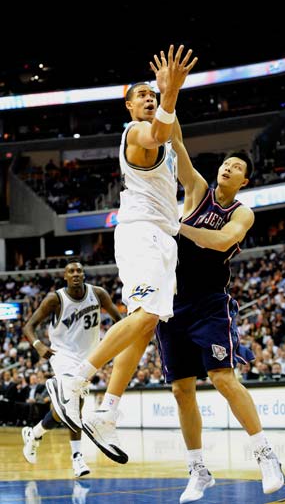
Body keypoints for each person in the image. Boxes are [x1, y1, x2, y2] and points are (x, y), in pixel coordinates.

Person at [45, 44, 198, 461]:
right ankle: (73, 381)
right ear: (128, 107)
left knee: (143, 325)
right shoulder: (136, 134)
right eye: (142, 96)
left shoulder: (165, 128)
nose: (149, 98)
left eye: (152, 94)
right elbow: (161, 133)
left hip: (163, 239)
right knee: (145, 316)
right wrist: (168, 95)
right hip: (140, 233)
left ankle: (106, 413)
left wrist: (172, 91)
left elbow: (176, 140)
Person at [154, 117, 284, 502]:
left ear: (245, 181)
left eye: (238, 167)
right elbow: (176, 142)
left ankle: (266, 455)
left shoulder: (243, 213)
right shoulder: (196, 189)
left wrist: (181, 228)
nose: (228, 167)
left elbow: (223, 240)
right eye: (227, 163)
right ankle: (198, 469)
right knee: (180, 389)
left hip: (210, 303)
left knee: (223, 378)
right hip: (173, 301)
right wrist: (169, 96)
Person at [22, 258, 122, 477]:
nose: (76, 273)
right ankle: (77, 458)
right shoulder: (55, 299)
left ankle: (35, 433)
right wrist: (39, 345)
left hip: (89, 359)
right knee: (74, 405)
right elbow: (28, 326)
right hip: (62, 356)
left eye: (79, 270)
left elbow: (119, 320)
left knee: (64, 410)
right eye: (71, 271)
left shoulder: (99, 294)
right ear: (65, 277)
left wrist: (114, 345)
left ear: (83, 274)